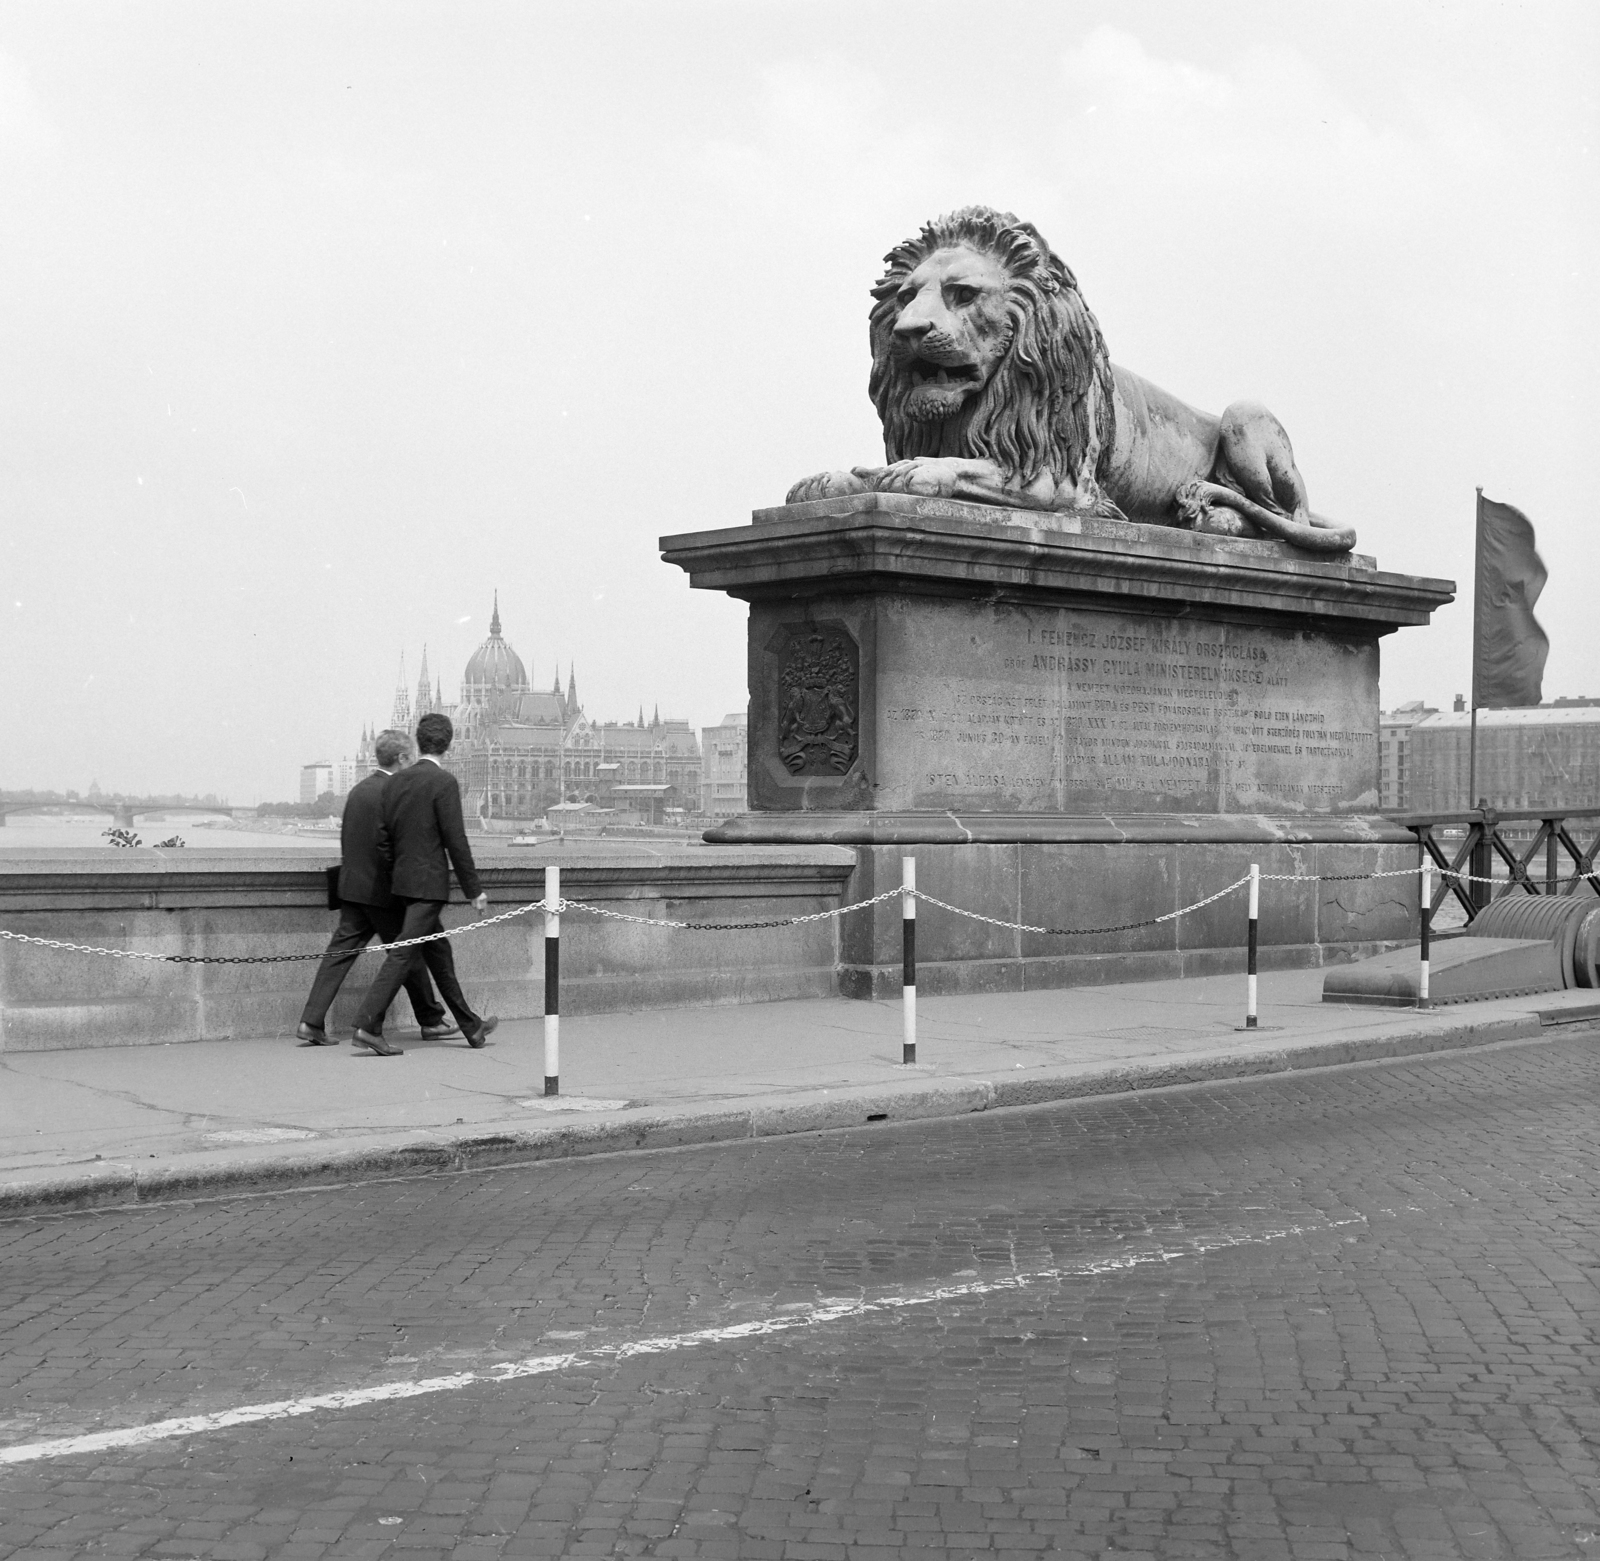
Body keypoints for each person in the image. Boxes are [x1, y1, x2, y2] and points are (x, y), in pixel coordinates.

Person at [296, 730, 457, 1047]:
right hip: (382, 893)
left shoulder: (359, 789)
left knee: (338, 956)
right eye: (410, 757)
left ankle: (310, 1022)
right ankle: (429, 1020)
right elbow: (392, 849)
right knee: (406, 954)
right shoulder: (394, 792)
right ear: (401, 758)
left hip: (351, 887)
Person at [351, 712, 498, 1057]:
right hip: (427, 886)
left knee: (439, 953)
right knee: (402, 956)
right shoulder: (444, 782)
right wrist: (473, 890)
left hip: (401, 884)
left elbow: (382, 839)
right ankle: (367, 1025)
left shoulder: (395, 782)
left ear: (418, 742)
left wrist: (399, 871)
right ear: (448, 743)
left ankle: (471, 1026)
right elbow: (456, 842)